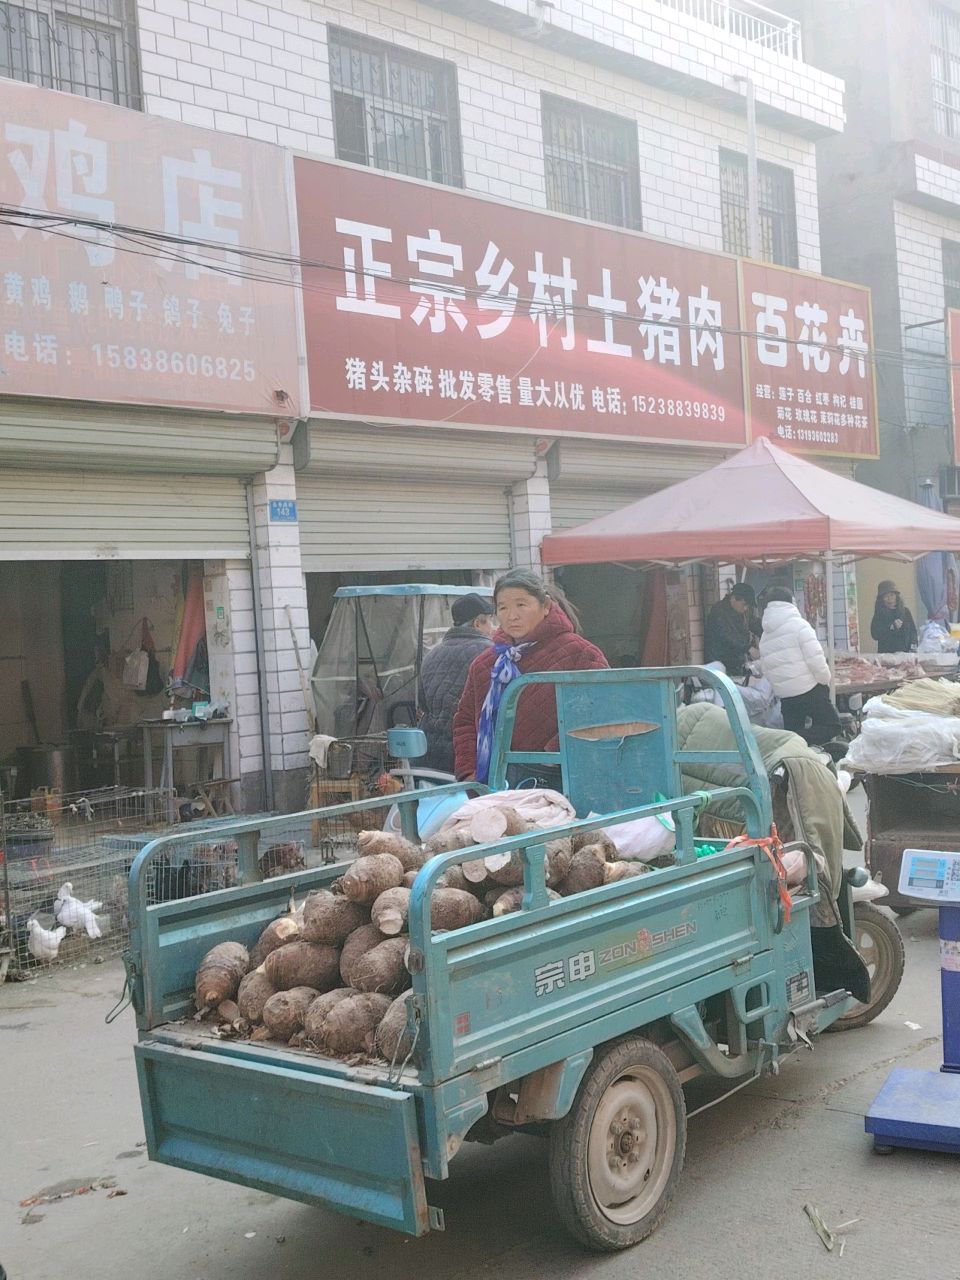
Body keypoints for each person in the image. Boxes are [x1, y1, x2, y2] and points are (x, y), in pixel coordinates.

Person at [452, 569, 608, 786]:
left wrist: (550, 758)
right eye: (503, 607)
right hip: (492, 786)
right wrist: (470, 774)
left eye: (521, 605)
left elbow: (600, 709)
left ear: (545, 606)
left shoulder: (580, 653)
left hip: (562, 782)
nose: (511, 615)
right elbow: (465, 720)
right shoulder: (484, 664)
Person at [418, 593, 496, 773]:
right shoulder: (489, 654)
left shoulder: (431, 655)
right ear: (478, 623)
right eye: (491, 621)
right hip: (471, 754)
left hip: (430, 754)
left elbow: (422, 704)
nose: (493, 628)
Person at [758, 587, 843, 749]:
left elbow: (766, 669)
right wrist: (824, 680)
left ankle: (796, 757)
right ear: (791, 603)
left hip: (786, 697)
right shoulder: (799, 626)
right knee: (832, 725)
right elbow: (816, 659)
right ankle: (792, 739)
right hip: (809, 690)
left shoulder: (765, 635)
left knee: (794, 742)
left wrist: (782, 687)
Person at [704, 583, 756, 676]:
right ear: (733, 598)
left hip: (737, 663)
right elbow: (726, 635)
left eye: (748, 606)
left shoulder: (743, 612)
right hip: (720, 663)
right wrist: (748, 648)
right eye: (744, 604)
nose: (746, 608)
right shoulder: (719, 611)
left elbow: (754, 623)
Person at [870, 580, 918, 653]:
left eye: (892, 595)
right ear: (881, 599)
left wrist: (913, 647)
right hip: (886, 655)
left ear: (896, 596)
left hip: (906, 654)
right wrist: (891, 627)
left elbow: (913, 632)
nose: (889, 598)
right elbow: (875, 634)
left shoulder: (905, 612)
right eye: (886, 596)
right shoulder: (879, 614)